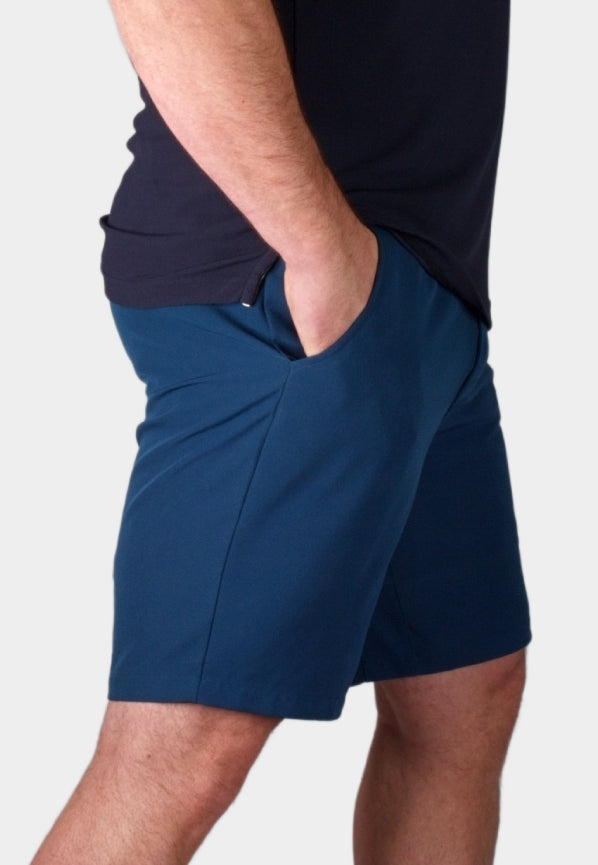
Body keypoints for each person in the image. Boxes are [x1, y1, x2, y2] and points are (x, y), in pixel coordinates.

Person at [31, 0, 532, 862]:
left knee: (462, 693)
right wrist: (318, 252)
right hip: (284, 288)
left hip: (415, 289)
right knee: (183, 748)